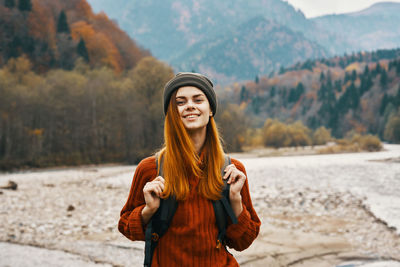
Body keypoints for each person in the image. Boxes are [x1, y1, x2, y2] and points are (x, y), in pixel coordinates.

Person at [118, 72, 261, 266]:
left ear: (210, 109)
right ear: (172, 113)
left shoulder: (232, 170)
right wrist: (148, 210)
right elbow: (126, 226)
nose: (190, 106)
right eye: (180, 102)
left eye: (198, 99)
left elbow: (243, 241)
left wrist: (235, 200)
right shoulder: (150, 168)